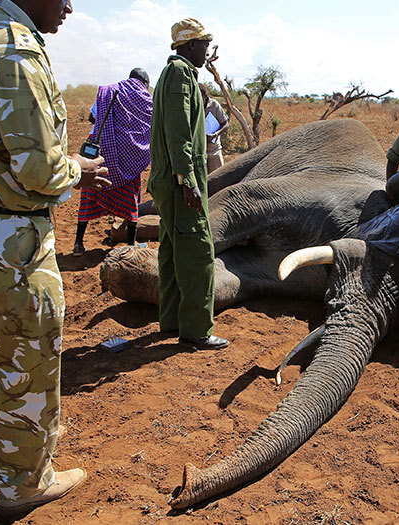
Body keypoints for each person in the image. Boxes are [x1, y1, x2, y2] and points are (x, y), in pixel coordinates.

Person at [0, 0, 111, 516]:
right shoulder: (14, 46)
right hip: (4, 234)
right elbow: (41, 172)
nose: (70, 6)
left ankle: (13, 453)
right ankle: (26, 483)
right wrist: (78, 168)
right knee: (27, 354)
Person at [147, 18, 229, 350]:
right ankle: (196, 329)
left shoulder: (170, 73)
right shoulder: (180, 74)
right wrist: (188, 180)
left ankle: (171, 320)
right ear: (191, 45)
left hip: (166, 181)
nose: (207, 52)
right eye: (204, 46)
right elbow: (179, 132)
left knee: (170, 250)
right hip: (180, 182)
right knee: (197, 253)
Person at [74, 68, 153, 255]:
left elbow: (92, 117)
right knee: (131, 199)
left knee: (88, 195)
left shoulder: (110, 92)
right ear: (145, 84)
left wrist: (110, 123)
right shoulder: (147, 101)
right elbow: (151, 127)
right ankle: (131, 244)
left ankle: (78, 244)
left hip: (102, 158)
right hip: (129, 159)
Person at [199, 84, 230, 173]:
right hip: (200, 151)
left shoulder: (214, 105)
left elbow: (225, 124)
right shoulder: (193, 107)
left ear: (205, 96)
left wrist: (215, 135)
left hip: (214, 149)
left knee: (219, 178)